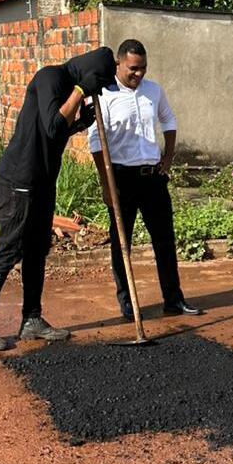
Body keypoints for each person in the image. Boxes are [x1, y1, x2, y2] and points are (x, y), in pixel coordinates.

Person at [0, 47, 117, 352]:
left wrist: (79, 124)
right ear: (90, 74)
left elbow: (53, 134)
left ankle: (31, 319)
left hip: (43, 180)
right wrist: (78, 92)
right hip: (20, 179)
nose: (97, 92)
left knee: (37, 250)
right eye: (98, 84)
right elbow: (52, 125)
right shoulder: (51, 77)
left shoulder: (65, 87)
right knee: (10, 248)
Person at [88, 39, 202, 321]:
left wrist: (168, 158)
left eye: (143, 69)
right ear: (119, 64)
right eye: (133, 69)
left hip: (152, 178)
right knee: (121, 243)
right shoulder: (103, 95)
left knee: (164, 240)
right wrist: (106, 183)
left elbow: (169, 121)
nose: (138, 74)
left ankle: (173, 300)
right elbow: (94, 142)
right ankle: (128, 303)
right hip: (121, 179)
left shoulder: (154, 91)